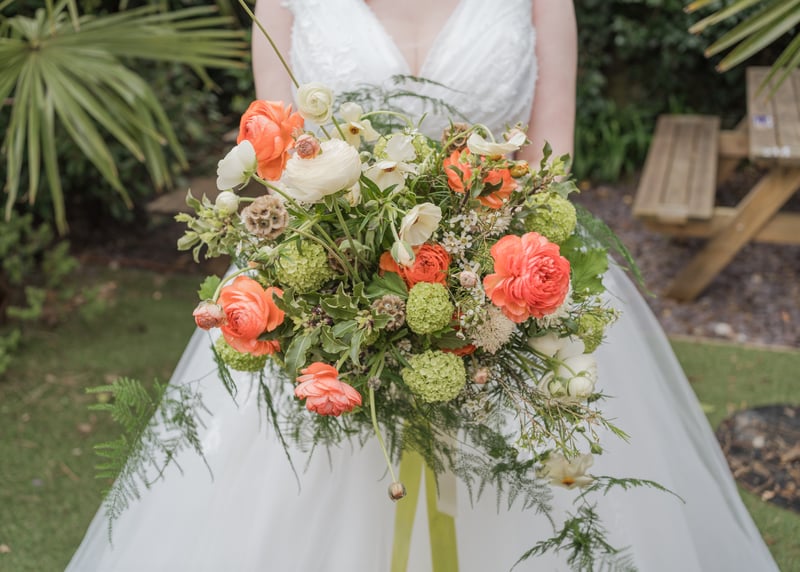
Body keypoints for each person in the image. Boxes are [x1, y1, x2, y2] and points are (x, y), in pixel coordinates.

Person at [67, 1, 779, 570]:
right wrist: (339, 287)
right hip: (329, 286)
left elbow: (550, 162)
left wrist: (494, 290)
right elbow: (276, 159)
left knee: (547, 492)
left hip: (504, 279)